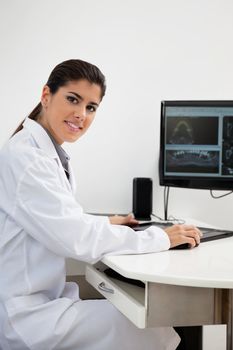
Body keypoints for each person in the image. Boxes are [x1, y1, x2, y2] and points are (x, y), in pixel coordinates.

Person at [0, 59, 202, 350]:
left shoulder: (44, 153)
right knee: (141, 324)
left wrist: (106, 223)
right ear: (46, 95)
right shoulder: (27, 159)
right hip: (26, 318)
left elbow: (61, 221)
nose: (81, 114)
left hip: (38, 304)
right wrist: (160, 236)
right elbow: (76, 239)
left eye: (91, 107)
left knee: (143, 318)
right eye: (73, 99)